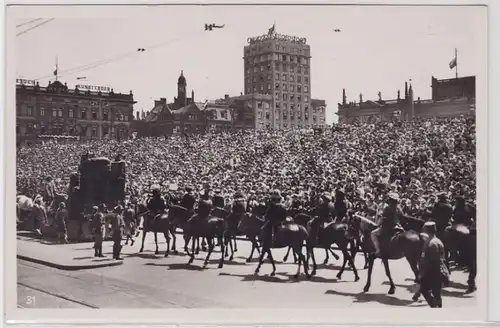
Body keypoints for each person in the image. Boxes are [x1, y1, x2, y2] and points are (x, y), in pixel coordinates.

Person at [419, 221, 449, 308]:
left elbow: (430, 261)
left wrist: (422, 274)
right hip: (439, 270)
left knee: (424, 290)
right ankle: (439, 308)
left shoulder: (431, 244)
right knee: (437, 294)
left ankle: (434, 306)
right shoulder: (438, 241)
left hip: (432, 272)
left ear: (426, 230)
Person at [370, 192, 404, 257]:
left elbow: (383, 218)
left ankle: (378, 250)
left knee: (373, 233)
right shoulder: (399, 208)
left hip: (388, 226)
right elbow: (402, 216)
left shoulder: (387, 208)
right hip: (398, 226)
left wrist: (378, 224)